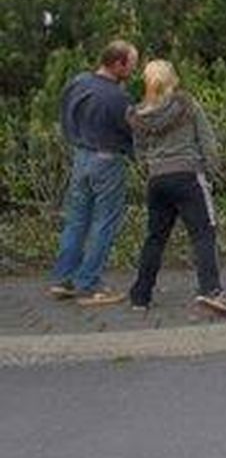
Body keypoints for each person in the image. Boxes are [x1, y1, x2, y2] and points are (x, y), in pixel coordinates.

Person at [122, 60, 226, 317]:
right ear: (173, 79)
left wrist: (151, 170)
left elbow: (139, 152)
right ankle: (211, 291)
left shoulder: (139, 115)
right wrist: (210, 170)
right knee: (203, 233)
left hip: (157, 181)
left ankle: (141, 294)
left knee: (155, 237)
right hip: (188, 176)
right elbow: (207, 142)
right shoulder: (188, 105)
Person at [46, 40, 139, 305]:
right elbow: (132, 133)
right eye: (131, 63)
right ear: (118, 63)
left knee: (76, 220)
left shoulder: (78, 82)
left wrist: (74, 139)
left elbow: (65, 114)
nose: (133, 69)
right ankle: (89, 283)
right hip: (108, 161)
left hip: (81, 157)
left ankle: (63, 280)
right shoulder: (119, 98)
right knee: (104, 223)